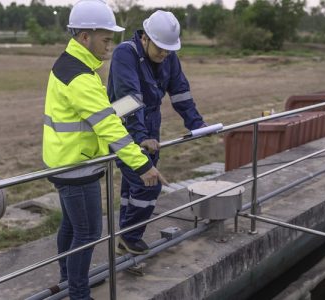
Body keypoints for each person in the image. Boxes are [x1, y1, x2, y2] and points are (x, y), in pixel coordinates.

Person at [42, 0, 167, 298]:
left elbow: (94, 116)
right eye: (106, 39)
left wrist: (116, 110)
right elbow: (109, 129)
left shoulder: (71, 64)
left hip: (64, 160)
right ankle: (79, 293)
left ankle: (68, 279)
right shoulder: (81, 77)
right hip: (77, 167)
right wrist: (143, 165)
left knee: (72, 228)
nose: (110, 46)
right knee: (87, 234)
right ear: (86, 36)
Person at [107, 10, 206, 255]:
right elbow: (129, 100)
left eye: (168, 49)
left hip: (151, 124)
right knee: (147, 184)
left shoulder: (168, 57)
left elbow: (180, 91)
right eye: (159, 48)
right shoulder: (125, 54)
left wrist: (197, 124)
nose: (163, 53)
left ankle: (124, 237)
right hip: (124, 127)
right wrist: (140, 137)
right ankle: (130, 237)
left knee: (133, 186)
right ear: (145, 38)